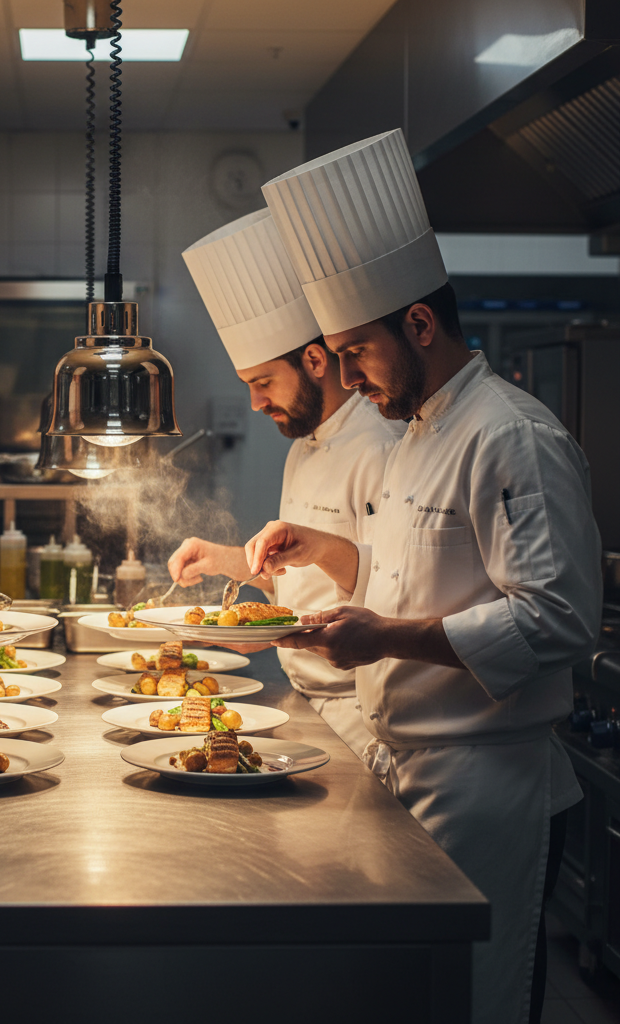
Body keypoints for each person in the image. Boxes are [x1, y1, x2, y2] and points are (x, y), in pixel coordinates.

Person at [242, 129, 598, 1024]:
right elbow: (413, 583)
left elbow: (558, 618)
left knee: (475, 1002)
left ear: (421, 325)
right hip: (412, 769)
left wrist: (384, 637)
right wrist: (339, 580)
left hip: (490, 787)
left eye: (357, 352)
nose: (352, 378)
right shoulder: (417, 436)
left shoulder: (511, 435)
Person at [168, 209, 403, 756]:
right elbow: (300, 581)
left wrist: (319, 549)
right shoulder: (303, 446)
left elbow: (385, 589)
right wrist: (222, 559)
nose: (255, 402)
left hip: (357, 712)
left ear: (316, 359)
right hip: (303, 701)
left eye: (263, 382)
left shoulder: (380, 445)